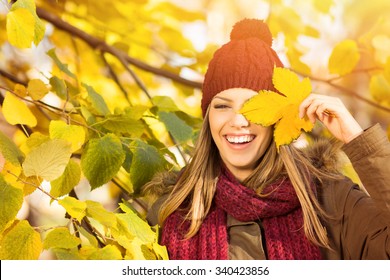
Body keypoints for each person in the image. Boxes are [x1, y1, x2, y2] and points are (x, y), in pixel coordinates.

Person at [143, 18, 390, 260]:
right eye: (222, 106)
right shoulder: (169, 213)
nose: (238, 121)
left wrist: (357, 140)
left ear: (278, 116)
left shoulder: (332, 200)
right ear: (208, 118)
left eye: (254, 107)